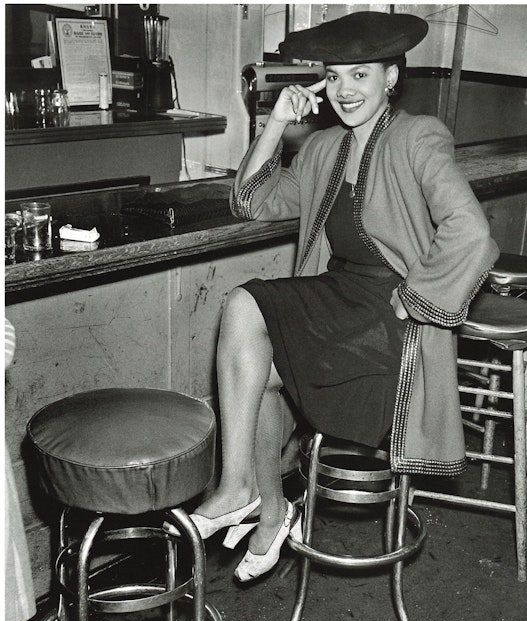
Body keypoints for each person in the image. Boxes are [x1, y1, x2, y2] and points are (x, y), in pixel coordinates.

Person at [188, 11, 500, 582]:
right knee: (244, 317)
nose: (346, 90)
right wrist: (276, 122)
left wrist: (419, 299)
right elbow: (251, 201)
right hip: (337, 300)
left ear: (391, 79)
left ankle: (261, 503)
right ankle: (250, 494)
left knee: (256, 361)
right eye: (334, 77)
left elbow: (472, 231)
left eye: (361, 75)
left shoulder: (417, 136)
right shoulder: (324, 147)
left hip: (389, 318)